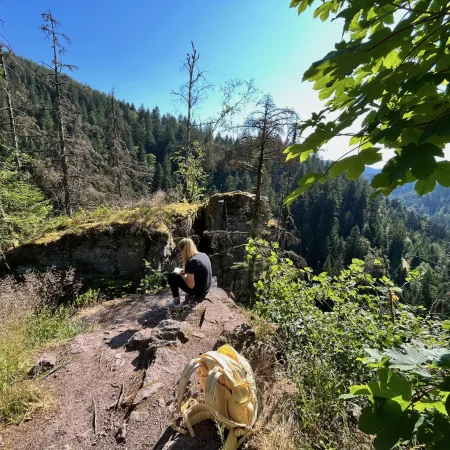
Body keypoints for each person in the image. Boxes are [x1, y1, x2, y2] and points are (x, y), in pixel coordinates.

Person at [168, 238, 212, 309]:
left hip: (198, 294)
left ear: (183, 250)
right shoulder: (204, 255)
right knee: (176, 275)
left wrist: (182, 275)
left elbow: (191, 286)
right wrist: (187, 272)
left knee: (172, 276)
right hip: (206, 289)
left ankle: (176, 303)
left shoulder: (191, 261)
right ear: (193, 245)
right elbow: (200, 271)